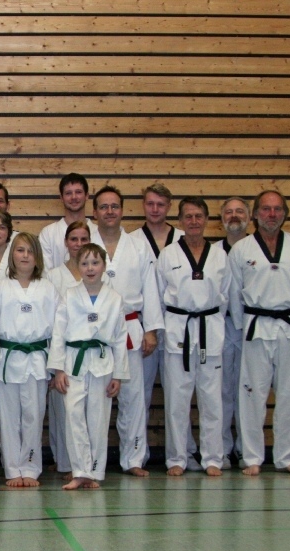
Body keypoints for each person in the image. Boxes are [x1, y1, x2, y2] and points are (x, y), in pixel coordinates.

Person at [229, 191, 290, 475]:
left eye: (277, 209)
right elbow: (234, 294)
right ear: (255, 214)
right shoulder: (242, 250)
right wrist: (243, 326)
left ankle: (287, 457)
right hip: (256, 327)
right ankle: (252, 457)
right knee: (251, 394)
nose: (272, 214)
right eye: (266, 209)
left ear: (285, 213)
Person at [89, 186, 163, 476]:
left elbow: (150, 288)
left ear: (122, 210)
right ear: (95, 212)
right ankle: (90, 462)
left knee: (134, 399)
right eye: (104, 207)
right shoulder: (86, 242)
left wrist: (151, 329)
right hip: (93, 331)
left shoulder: (138, 245)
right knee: (95, 400)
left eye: (114, 206)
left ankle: (133, 459)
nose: (109, 212)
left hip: (131, 327)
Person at [157, 198, 231, 477]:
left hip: (210, 331)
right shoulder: (168, 255)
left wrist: (214, 322)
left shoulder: (219, 256)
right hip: (178, 332)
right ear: (180, 221)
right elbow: (159, 295)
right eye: (188, 216)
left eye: (199, 216)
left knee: (212, 399)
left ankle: (212, 457)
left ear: (207, 219)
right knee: (177, 400)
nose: (194, 221)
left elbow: (226, 295)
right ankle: (177, 458)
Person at [48, 243, 129, 490]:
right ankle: (80, 470)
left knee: (98, 418)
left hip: (103, 362)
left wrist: (119, 375)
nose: (90, 268)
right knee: (73, 416)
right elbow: (58, 333)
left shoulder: (114, 298)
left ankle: (94, 471)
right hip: (73, 361)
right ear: (78, 267)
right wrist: (58, 369)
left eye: (95, 263)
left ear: (104, 266)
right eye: (84, 263)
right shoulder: (69, 295)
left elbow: (120, 338)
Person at [0, 232, 57, 487]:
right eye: (20, 250)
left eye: (30, 251)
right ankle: (12, 469)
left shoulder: (48, 288)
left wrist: (56, 366)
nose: (25, 256)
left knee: (33, 416)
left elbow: (57, 330)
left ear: (38, 257)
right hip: (7, 359)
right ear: (12, 255)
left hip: (38, 359)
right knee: (8, 418)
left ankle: (30, 467)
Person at [136, 183, 190, 465]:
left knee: (179, 395)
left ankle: (182, 454)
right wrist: (149, 328)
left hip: (179, 324)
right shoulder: (133, 240)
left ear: (169, 207)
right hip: (142, 325)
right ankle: (138, 455)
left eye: (160, 204)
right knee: (140, 395)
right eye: (150, 204)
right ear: (143, 206)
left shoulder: (184, 238)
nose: (155, 209)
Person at [45, 220, 94, 480]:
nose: (78, 244)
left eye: (83, 239)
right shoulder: (53, 276)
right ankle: (64, 462)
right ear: (66, 243)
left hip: (90, 350)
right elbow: (51, 320)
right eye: (73, 239)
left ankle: (87, 465)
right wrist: (55, 363)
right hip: (63, 349)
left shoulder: (95, 273)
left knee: (89, 412)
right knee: (62, 410)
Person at [218, 197, 251, 467]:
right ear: (221, 219)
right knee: (220, 391)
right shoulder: (213, 251)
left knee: (247, 390)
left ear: (249, 217)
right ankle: (221, 449)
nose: (234, 216)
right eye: (228, 212)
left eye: (239, 211)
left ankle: (245, 449)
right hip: (219, 325)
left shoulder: (256, 249)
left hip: (251, 326)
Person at [39, 173, 98, 270]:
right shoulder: (48, 234)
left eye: (78, 192)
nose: (74, 197)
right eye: (68, 193)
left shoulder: (98, 232)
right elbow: (46, 273)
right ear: (61, 198)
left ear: (87, 196)